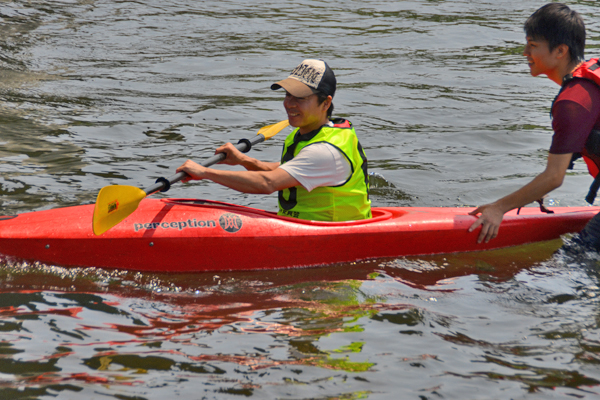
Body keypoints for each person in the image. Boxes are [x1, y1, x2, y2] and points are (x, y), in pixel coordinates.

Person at [468, 3, 600, 248]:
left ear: (560, 51)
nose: (524, 52)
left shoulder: (573, 101)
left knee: (571, 270)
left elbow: (554, 177)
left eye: (533, 45)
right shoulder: (587, 81)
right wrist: (532, 191)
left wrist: (498, 209)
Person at [177, 59, 372, 221]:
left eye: (301, 97)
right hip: (302, 227)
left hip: (333, 236)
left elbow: (267, 183)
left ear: (326, 103)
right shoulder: (306, 135)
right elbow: (287, 171)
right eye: (288, 94)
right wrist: (244, 160)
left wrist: (204, 172)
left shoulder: (325, 151)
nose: (289, 103)